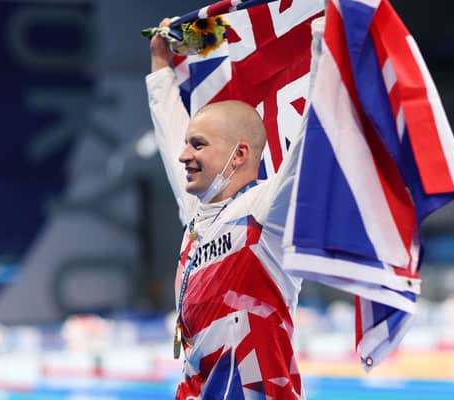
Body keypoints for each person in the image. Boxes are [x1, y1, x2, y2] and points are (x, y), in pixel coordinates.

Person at [146, 17, 323, 400]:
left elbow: (314, 138)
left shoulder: (267, 211)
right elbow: (169, 134)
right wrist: (161, 68)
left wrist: (326, 47)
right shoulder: (198, 214)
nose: (183, 155)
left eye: (198, 145)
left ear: (240, 154)